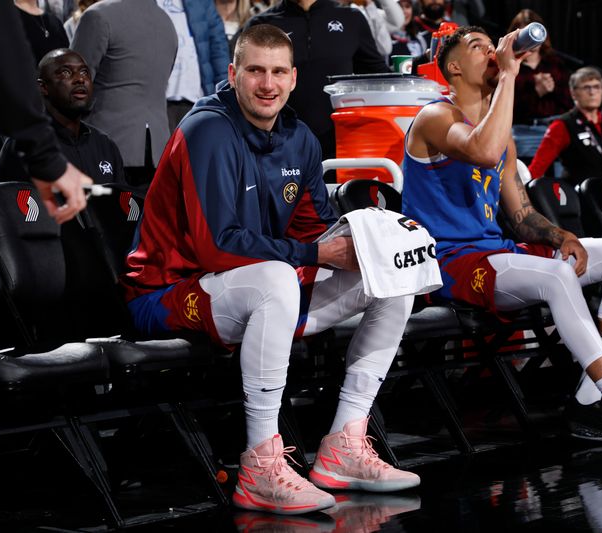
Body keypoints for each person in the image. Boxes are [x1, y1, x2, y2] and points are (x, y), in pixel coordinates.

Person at [122, 24, 419, 514]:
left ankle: (344, 444)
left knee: (391, 276)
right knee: (278, 277)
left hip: (252, 291)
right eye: (256, 71)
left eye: (278, 72)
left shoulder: (298, 138)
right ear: (234, 73)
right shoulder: (207, 130)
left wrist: (368, 238)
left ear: (294, 77)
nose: (268, 84)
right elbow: (217, 247)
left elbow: (313, 228)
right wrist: (315, 256)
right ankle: (259, 467)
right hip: (167, 292)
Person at [401, 25, 602, 463]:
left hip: (499, 250)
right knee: (559, 275)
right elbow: (482, 151)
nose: (492, 50)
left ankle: (586, 400)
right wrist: (507, 76)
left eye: (493, 43)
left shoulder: (498, 132)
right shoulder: (435, 116)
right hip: (451, 262)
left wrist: (560, 235)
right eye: (477, 46)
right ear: (452, 68)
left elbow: (521, 217)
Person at [0, 0, 87, 224]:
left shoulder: (53, 23)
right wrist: (43, 152)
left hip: (35, 131)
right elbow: (0, 67)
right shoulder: (0, 16)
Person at [244, 0, 390, 161]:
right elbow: (244, 85)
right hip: (277, 148)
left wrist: (418, 63)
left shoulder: (351, 18)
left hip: (338, 149)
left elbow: (380, 77)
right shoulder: (262, 24)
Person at [71, 0, 178, 186]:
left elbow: (73, 87)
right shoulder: (167, 22)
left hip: (106, 146)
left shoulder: (98, 16)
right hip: (156, 151)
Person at [0, 49, 126, 186]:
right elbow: (7, 204)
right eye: (66, 72)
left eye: (84, 72)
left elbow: (123, 202)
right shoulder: (24, 145)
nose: (80, 79)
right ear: (43, 87)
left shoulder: (105, 144)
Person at [528, 67, 602, 186]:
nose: (592, 92)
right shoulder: (562, 125)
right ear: (573, 93)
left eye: (597, 87)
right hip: (579, 198)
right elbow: (536, 169)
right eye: (586, 87)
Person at [157, 0, 231, 132]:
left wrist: (225, 97)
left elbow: (218, 49)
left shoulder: (202, 2)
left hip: (197, 103)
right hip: (156, 105)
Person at [507, 9, 572, 126]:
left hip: (556, 125)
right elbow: (506, 109)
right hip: (524, 130)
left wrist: (553, 89)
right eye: (525, 34)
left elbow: (570, 102)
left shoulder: (555, 64)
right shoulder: (508, 65)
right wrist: (536, 92)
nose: (531, 39)